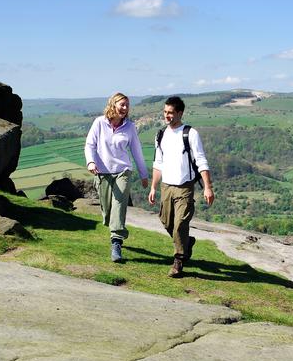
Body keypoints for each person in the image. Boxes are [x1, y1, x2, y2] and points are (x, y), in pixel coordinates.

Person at [148, 96, 214, 277]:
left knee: (179, 225)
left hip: (185, 186)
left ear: (180, 113)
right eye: (165, 112)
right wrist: (153, 187)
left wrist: (208, 187)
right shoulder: (160, 134)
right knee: (166, 221)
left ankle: (178, 260)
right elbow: (158, 162)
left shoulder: (190, 133)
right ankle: (187, 242)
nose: (167, 116)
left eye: (170, 112)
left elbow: (201, 160)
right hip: (166, 185)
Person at [84, 92, 149, 262]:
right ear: (113, 105)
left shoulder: (130, 127)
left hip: (122, 171)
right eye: (122, 104)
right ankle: (114, 228)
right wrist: (91, 162)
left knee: (119, 203)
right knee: (107, 211)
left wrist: (144, 175)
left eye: (127, 105)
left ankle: (116, 242)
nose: (125, 108)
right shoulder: (99, 123)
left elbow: (137, 152)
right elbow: (90, 145)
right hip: (102, 172)